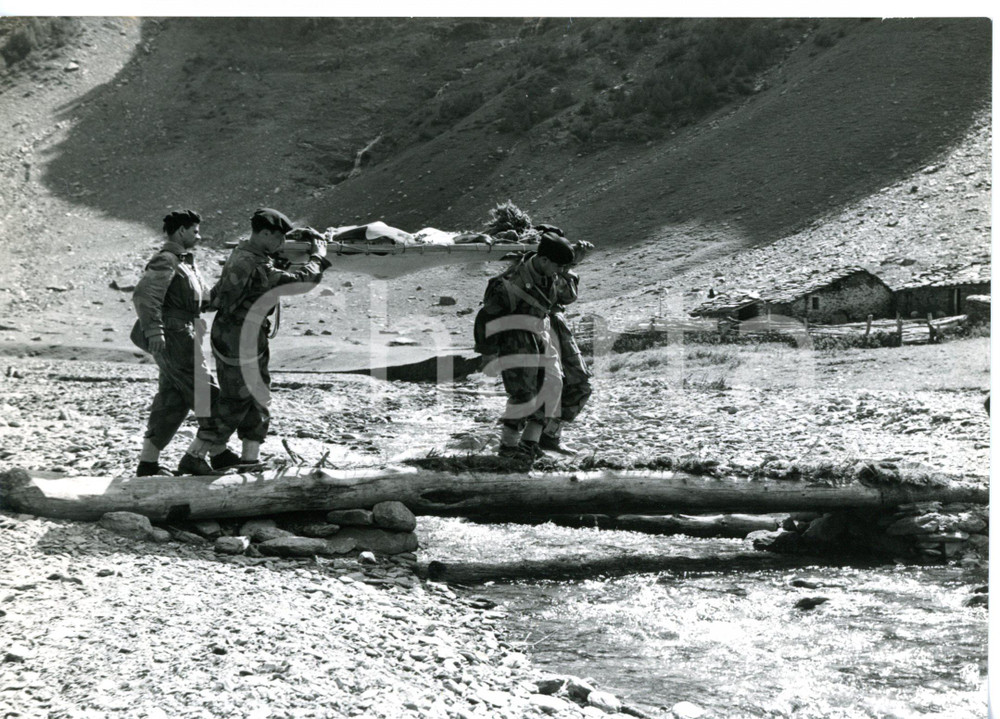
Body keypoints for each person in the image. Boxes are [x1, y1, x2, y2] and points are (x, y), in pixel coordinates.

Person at [175, 208, 331, 475]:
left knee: (257, 395)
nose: (282, 244)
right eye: (279, 238)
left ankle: (248, 458)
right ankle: (195, 454)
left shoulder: (246, 252)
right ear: (265, 233)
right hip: (239, 337)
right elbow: (299, 281)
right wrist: (318, 258)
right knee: (236, 398)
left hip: (242, 333)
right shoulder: (254, 263)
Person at [131, 209, 242, 477]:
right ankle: (207, 454)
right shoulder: (166, 261)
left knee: (173, 400)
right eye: (195, 231)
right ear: (181, 231)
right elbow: (145, 296)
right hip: (174, 336)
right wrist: (156, 331)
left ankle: (147, 465)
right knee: (209, 394)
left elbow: (206, 301)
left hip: (184, 333)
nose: (199, 236)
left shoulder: (186, 263)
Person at [480, 230, 578, 461]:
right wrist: (489, 353)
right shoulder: (507, 283)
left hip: (540, 333)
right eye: (558, 266)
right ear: (544, 260)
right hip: (514, 339)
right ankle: (508, 446)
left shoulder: (552, 276)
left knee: (553, 385)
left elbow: (567, 296)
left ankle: (529, 444)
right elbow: (486, 317)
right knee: (524, 394)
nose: (560, 272)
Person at [532, 224, 594, 455]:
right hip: (536, 327)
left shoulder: (559, 270)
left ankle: (551, 435)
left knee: (579, 383)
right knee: (545, 383)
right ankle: (531, 440)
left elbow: (568, 297)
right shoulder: (532, 270)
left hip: (557, 325)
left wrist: (569, 267)